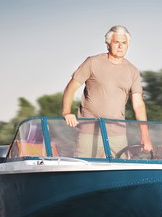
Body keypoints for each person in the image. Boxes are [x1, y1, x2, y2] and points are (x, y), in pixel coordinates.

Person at [61, 25, 153, 157]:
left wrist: (145, 136)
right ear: (108, 44)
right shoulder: (92, 62)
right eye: (117, 42)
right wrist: (66, 112)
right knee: (83, 169)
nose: (120, 46)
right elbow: (71, 88)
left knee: (122, 172)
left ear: (128, 46)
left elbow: (138, 105)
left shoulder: (133, 71)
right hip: (89, 131)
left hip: (118, 134)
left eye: (124, 43)